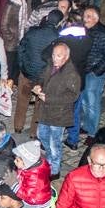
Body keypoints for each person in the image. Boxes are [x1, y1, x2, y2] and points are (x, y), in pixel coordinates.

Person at [32, 42, 80, 177]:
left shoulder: (71, 74)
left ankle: (54, 170)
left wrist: (49, 98)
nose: (54, 58)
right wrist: (38, 86)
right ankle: (49, 158)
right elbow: (41, 77)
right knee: (42, 135)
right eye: (53, 55)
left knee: (55, 143)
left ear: (65, 57)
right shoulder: (50, 65)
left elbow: (72, 96)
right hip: (45, 111)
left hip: (59, 114)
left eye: (58, 56)